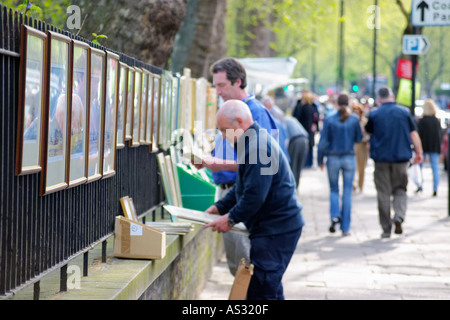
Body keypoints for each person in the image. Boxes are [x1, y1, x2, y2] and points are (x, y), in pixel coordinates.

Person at [204, 100, 304, 300]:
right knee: (269, 288)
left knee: (261, 290)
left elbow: (254, 196)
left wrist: (229, 219)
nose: (223, 136)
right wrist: (219, 207)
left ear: (239, 122)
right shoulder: (252, 142)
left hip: (276, 229)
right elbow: (244, 186)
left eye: (225, 130)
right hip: (275, 226)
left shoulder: (257, 147)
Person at [196, 57, 280, 276]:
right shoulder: (232, 112)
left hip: (244, 198)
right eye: (216, 86)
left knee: (247, 271)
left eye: (222, 85)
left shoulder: (254, 114)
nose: (218, 91)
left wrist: (218, 164)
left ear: (238, 81)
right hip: (231, 195)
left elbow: (264, 166)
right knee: (239, 270)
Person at [365, 87, 423, 239]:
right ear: (391, 96)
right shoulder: (403, 112)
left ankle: (386, 228)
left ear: (378, 99)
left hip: (381, 159)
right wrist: (419, 152)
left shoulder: (374, 114)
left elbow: (367, 133)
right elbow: (413, 134)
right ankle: (399, 216)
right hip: (401, 158)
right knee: (400, 189)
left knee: (383, 193)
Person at [318, 93, 363, 236]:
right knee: (348, 191)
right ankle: (346, 227)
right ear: (348, 103)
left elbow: (323, 142)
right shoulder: (354, 120)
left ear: (336, 103)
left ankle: (335, 215)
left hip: (333, 157)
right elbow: (359, 138)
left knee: (334, 190)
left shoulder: (330, 120)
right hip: (349, 157)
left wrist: (320, 160)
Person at [417, 99, 443, 197]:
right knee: (435, 168)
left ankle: (420, 185)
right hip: (434, 147)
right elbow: (439, 135)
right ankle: (435, 188)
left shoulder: (422, 121)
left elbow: (419, 135)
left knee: (420, 167)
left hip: (423, 146)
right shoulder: (436, 121)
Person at [292, 90, 319, 168]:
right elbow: (316, 118)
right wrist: (315, 127)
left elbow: (297, 117)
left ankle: (305, 162)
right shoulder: (313, 107)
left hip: (303, 128)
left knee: (307, 145)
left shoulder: (302, 107)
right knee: (310, 145)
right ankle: (309, 162)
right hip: (310, 129)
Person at [285, 116, 309, 188]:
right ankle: (296, 187)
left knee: (293, 165)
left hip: (295, 141)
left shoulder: (283, 122)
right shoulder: (292, 119)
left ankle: (293, 188)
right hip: (305, 139)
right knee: (299, 166)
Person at [351, 103, 370, 193]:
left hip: (362, 146)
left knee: (362, 167)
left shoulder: (364, 121)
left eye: (357, 113)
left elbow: (368, 135)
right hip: (353, 146)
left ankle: (360, 185)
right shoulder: (349, 121)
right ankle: (353, 185)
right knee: (352, 167)